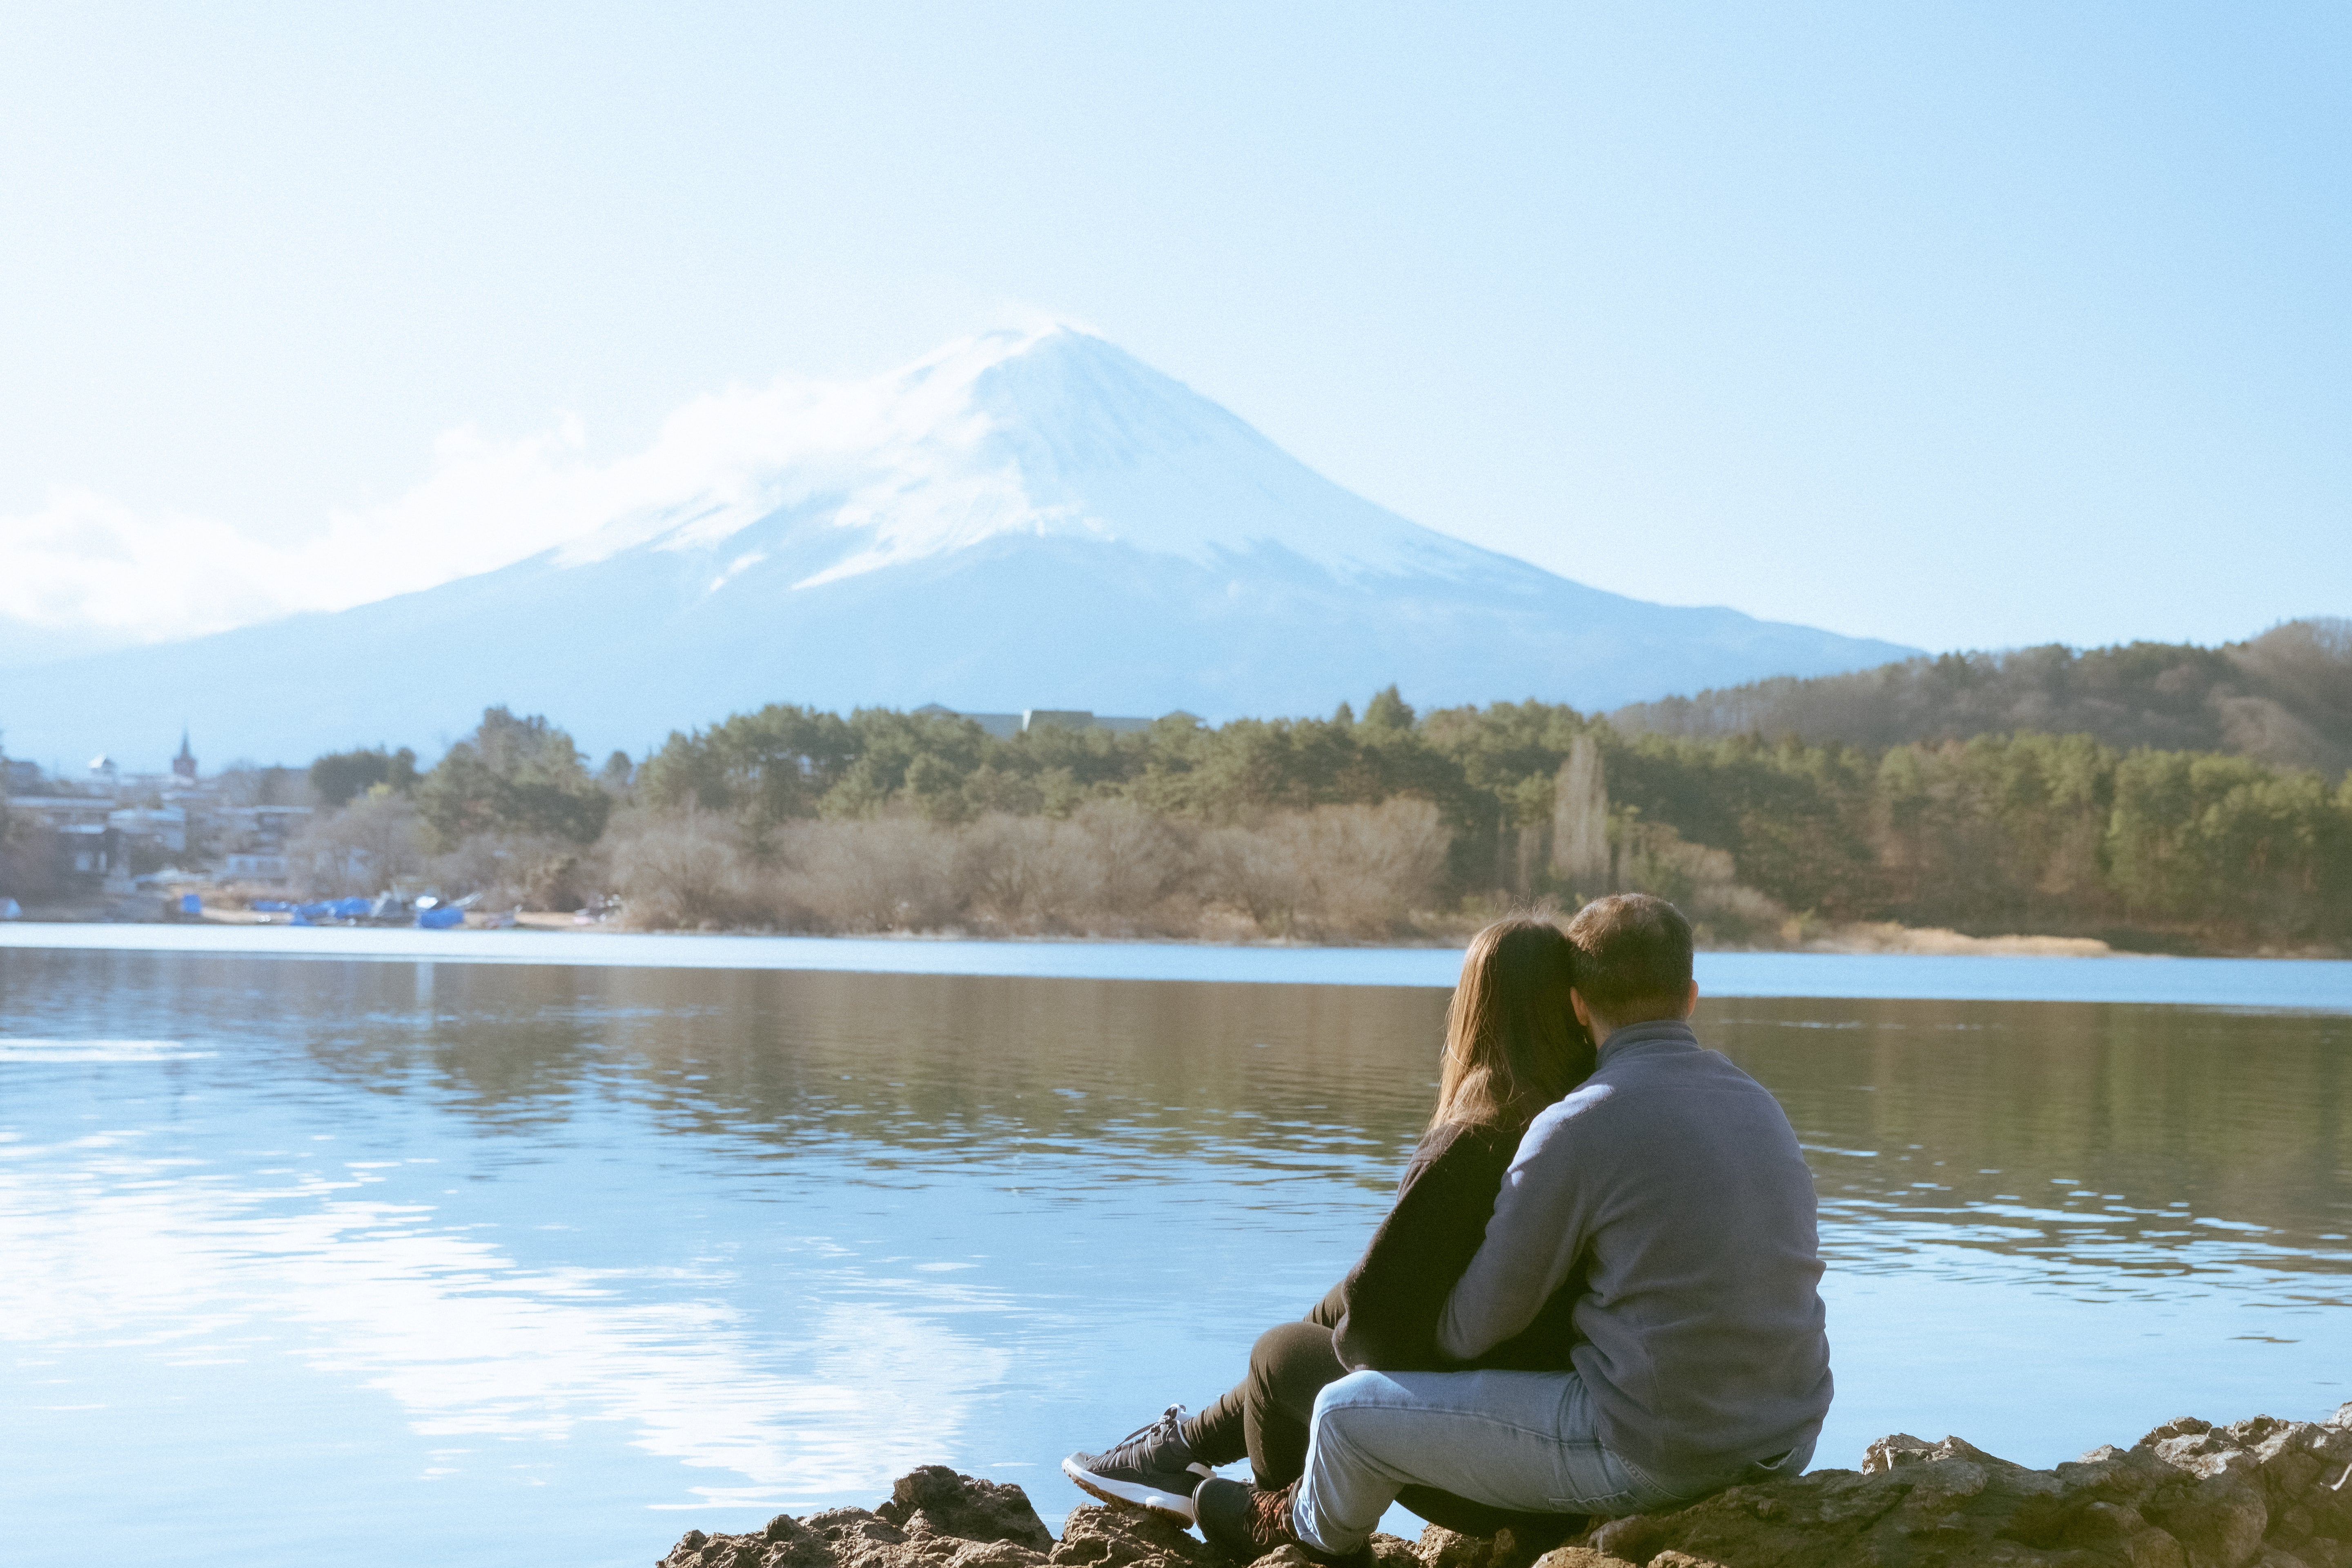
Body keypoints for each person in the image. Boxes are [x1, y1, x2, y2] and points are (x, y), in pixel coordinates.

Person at [1190, 894, 1834, 1565]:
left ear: (1578, 1004)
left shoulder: (1581, 1124)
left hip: (1660, 1456)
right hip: (1784, 1442)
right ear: (1692, 996)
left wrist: (1409, 1336)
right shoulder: (1760, 1105)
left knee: (1345, 1412)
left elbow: (1475, 1326)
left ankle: (1299, 1536)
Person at [1061, 917, 1597, 1542]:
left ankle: (1276, 1534)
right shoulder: (1588, 1125)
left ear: (1472, 1011)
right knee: (1334, 1306)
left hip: (1494, 1468)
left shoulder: (1477, 1142)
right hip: (1569, 1439)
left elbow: (1372, 1339)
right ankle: (1182, 1448)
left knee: (1279, 1357)